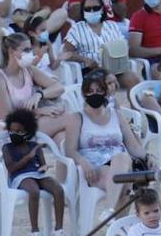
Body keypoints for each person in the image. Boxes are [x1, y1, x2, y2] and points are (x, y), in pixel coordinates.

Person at [62, 72, 149, 219]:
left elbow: (132, 145)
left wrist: (147, 157)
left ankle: (109, 211)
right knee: (126, 184)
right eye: (90, 91)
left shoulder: (116, 115)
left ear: (105, 92)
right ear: (84, 94)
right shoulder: (76, 118)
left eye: (98, 91)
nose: (94, 94)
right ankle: (119, 230)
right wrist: (83, 162)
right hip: (95, 167)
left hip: (120, 162)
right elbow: (69, 150)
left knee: (122, 159)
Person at [2, 108, 69, 236]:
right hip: (20, 176)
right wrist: (28, 157)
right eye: (12, 132)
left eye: (19, 131)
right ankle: (35, 231)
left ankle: (59, 229)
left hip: (37, 174)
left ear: (28, 131)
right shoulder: (7, 148)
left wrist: (44, 167)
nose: (15, 135)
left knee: (58, 189)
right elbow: (11, 169)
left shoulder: (34, 146)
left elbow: (42, 163)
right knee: (34, 191)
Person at [0, 33, 69, 139]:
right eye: (26, 50)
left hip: (31, 121)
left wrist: (39, 95)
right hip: (13, 129)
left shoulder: (28, 70)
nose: (30, 54)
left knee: (62, 136)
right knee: (71, 119)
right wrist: (38, 112)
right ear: (11, 51)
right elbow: (8, 117)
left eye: (30, 50)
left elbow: (58, 87)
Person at [63, 0, 140, 89]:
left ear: (102, 9)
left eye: (95, 8)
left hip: (115, 68)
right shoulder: (77, 29)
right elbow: (66, 53)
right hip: (91, 70)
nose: (92, 11)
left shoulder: (112, 25)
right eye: (88, 9)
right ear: (83, 11)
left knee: (133, 79)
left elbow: (123, 46)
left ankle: (134, 103)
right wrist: (85, 60)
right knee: (107, 81)